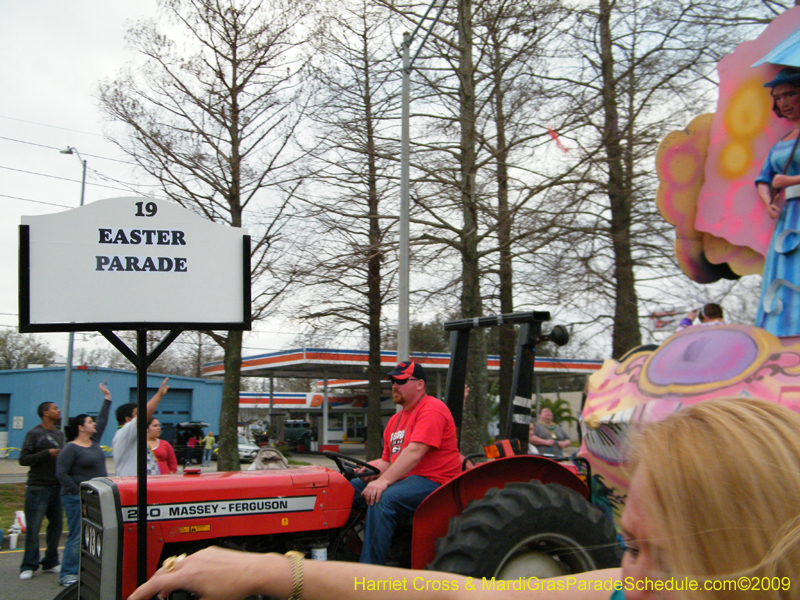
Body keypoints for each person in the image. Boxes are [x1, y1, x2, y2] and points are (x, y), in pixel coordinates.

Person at [129, 397, 800, 600]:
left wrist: (384, 481)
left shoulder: (430, 413)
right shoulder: (632, 587)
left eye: (663, 555)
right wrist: (269, 569)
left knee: (390, 504)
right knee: (368, 492)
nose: (636, 576)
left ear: (753, 571)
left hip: (426, 482)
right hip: (395, 473)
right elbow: (475, 596)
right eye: (629, 544)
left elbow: (416, 460)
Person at [351, 360, 461, 565]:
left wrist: (382, 482)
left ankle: (369, 572)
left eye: (400, 381)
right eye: (393, 381)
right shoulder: (395, 420)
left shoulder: (432, 408)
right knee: (347, 489)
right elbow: (387, 461)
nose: (394, 385)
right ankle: (342, 554)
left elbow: (415, 452)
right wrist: (365, 470)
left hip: (436, 482)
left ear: (420, 384)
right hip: (408, 480)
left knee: (381, 499)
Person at [756, 66, 800, 337]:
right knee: (785, 271)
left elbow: (778, 180)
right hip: (787, 219)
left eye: (790, 94)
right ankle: (783, 332)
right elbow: (763, 178)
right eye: (778, 96)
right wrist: (768, 201)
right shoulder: (780, 143)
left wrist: (790, 182)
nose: (784, 102)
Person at [56, 383, 112, 587]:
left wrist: (107, 398)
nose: (94, 423)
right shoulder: (71, 448)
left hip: (96, 498)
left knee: (96, 533)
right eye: (90, 421)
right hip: (76, 498)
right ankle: (68, 573)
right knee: (78, 533)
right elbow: (61, 473)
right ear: (81, 427)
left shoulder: (94, 442)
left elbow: (103, 419)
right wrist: (76, 491)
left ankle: (91, 568)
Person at [18, 401, 64, 581]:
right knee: (34, 528)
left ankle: (51, 561)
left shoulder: (59, 434)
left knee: (56, 527)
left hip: (56, 487)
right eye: (54, 408)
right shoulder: (34, 434)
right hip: (38, 487)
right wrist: (47, 453)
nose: (58, 410)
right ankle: (29, 565)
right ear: (46, 413)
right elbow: (23, 459)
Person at [112, 378, 169, 477]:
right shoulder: (124, 432)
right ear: (128, 419)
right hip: (132, 487)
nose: (140, 417)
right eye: (136, 414)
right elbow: (145, 415)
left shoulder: (133, 435)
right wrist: (159, 395)